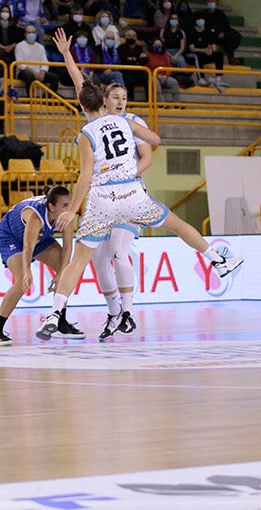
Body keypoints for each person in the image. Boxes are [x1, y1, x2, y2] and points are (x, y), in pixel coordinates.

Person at [36, 29, 243, 340]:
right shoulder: (125, 121)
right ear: (104, 101)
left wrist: (72, 210)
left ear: (83, 106)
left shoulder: (86, 133)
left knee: (80, 260)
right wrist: (131, 149)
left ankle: (55, 313)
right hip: (132, 194)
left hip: (103, 199)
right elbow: (155, 140)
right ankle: (218, 260)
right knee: (177, 225)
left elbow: (86, 175)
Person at [90, 83, 154, 340]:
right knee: (99, 259)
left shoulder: (133, 121)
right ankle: (115, 313)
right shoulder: (96, 122)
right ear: (104, 100)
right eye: (115, 97)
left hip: (130, 194)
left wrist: (127, 175)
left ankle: (128, 313)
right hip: (105, 198)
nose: (120, 101)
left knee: (119, 251)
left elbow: (147, 157)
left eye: (124, 98)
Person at [0, 187, 76, 345]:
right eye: (64, 205)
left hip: (40, 238)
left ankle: (59, 322)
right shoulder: (36, 215)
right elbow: (28, 246)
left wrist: (61, 273)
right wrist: (27, 271)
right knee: (22, 281)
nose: (69, 209)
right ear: (51, 206)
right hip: (11, 236)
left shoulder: (66, 215)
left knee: (67, 273)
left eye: (69, 204)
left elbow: (68, 246)